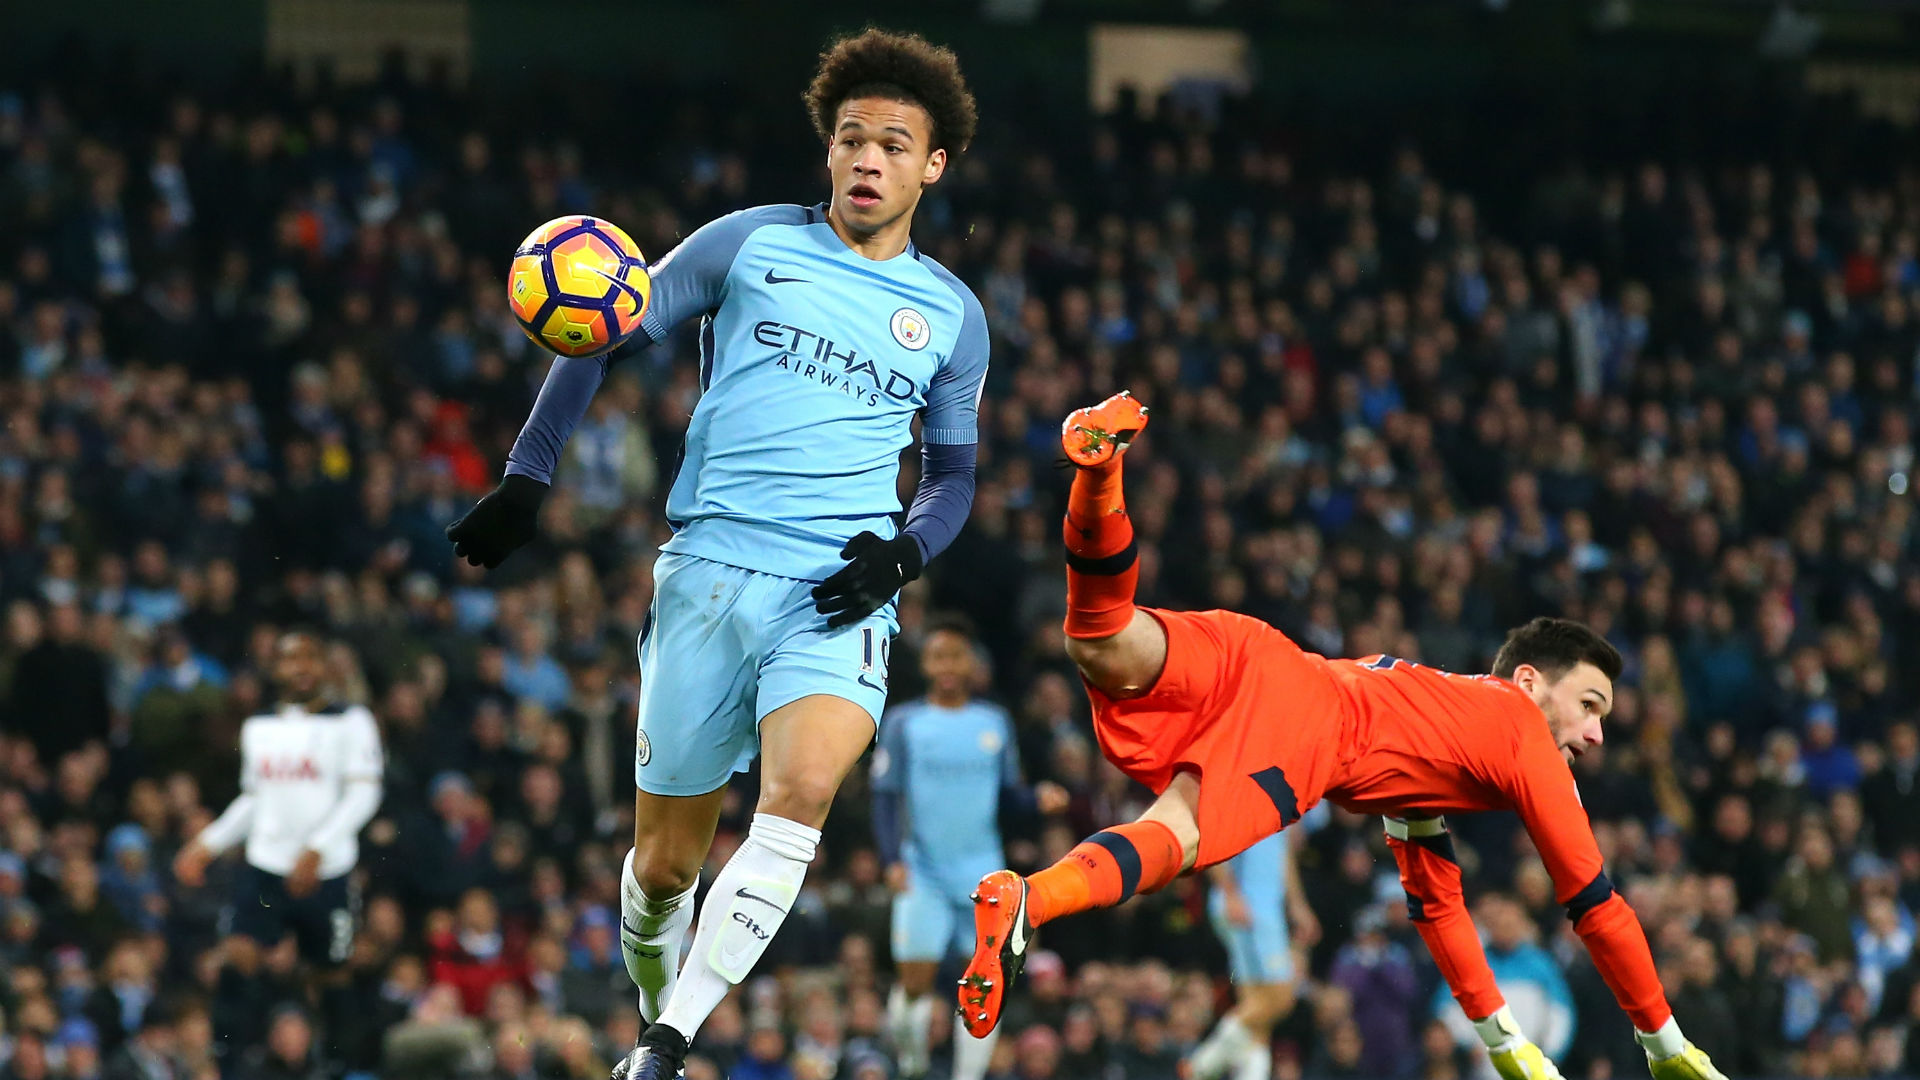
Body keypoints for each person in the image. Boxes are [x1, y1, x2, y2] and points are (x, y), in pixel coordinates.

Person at [443, 27, 988, 1080]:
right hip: (706, 576)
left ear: (934, 165)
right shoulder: (746, 245)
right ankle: (660, 993)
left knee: (799, 800)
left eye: (892, 144)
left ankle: (665, 1043)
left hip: (835, 596)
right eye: (850, 140)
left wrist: (903, 558)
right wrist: (527, 476)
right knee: (662, 871)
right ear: (827, 152)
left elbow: (956, 476)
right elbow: (604, 326)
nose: (868, 160)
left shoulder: (953, 317)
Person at [956, 393, 1729, 1080]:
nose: (1595, 735)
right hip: (1306, 731)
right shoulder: (1521, 732)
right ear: (1529, 682)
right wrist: (1663, 1041)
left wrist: (1501, 1038)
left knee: (1103, 637)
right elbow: (1596, 904)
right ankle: (1031, 899)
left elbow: (1437, 902)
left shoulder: (1438, 720)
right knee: (1179, 838)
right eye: (1589, 705)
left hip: (1266, 655)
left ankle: (1098, 474)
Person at [870, 619, 1065, 1080]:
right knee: (914, 981)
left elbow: (1009, 793)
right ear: (926, 663)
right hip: (923, 869)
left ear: (973, 663)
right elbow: (885, 795)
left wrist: (1036, 798)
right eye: (939, 656)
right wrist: (889, 860)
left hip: (982, 871)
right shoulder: (905, 723)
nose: (949, 665)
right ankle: (914, 1066)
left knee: (983, 979)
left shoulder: (993, 722)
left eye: (957, 655)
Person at [173, 631, 384, 1053]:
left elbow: (364, 793)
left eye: (311, 657)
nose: (301, 667)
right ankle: (238, 1059)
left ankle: (344, 1065)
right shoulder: (259, 726)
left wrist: (318, 848)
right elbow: (255, 799)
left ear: (324, 666)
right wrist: (207, 843)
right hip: (267, 865)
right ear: (275, 668)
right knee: (239, 957)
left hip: (326, 871)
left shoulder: (352, 721)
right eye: (291, 659)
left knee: (330, 975)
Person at [1185, 830, 1316, 1080]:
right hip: (1248, 908)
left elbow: (1282, 852)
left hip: (1265, 909)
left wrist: (1297, 904)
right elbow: (1214, 842)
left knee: (1256, 1002)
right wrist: (1230, 893)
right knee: (1281, 996)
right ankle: (1201, 1066)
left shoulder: (1281, 800)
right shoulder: (1241, 794)